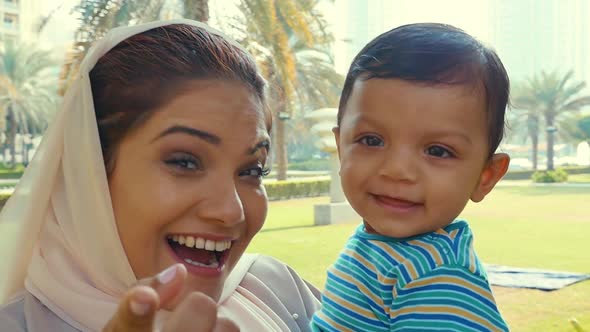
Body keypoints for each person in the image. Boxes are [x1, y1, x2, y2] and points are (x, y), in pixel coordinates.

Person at [0, 19, 321, 332]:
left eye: (252, 170)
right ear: (89, 173)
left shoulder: (281, 292)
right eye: (185, 162)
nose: (230, 211)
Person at [310, 23, 511, 331]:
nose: (397, 170)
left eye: (438, 151)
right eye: (372, 140)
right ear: (341, 148)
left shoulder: (436, 278)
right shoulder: (380, 245)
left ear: (486, 176)